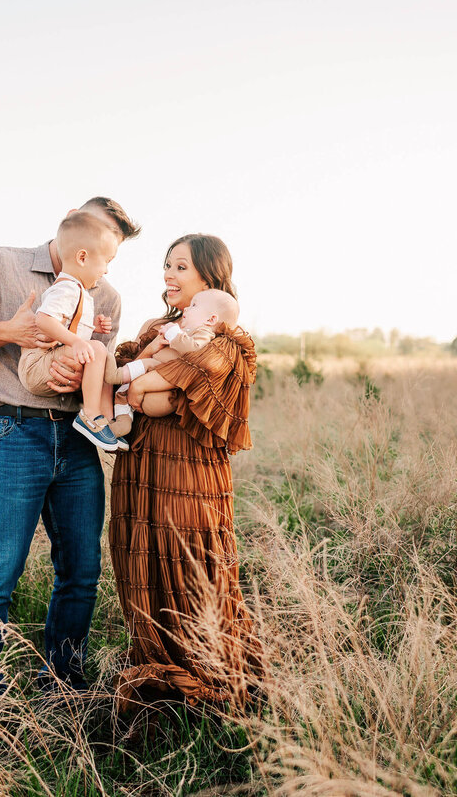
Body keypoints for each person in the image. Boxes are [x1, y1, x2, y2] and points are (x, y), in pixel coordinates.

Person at [0, 197, 140, 705]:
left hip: (75, 437)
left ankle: (63, 687)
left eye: (114, 251)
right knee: (0, 568)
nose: (106, 259)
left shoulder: (106, 297)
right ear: (79, 232)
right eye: (102, 243)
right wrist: (12, 330)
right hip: (9, 432)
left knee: (82, 568)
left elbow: (95, 370)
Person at [108, 233, 263, 715]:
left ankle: (208, 672)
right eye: (166, 266)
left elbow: (183, 380)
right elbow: (128, 372)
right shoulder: (157, 326)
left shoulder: (225, 338)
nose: (168, 276)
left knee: (191, 561)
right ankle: (155, 668)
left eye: (180, 267)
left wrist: (148, 388)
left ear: (208, 276)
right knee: (143, 561)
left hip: (190, 472)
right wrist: (139, 383)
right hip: (141, 465)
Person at [17, 211, 126, 451]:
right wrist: (77, 342)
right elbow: (44, 320)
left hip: (49, 362)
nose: (106, 270)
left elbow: (68, 325)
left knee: (105, 356)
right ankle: (90, 416)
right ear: (83, 258)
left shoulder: (77, 289)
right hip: (37, 365)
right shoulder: (66, 287)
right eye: (106, 261)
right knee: (96, 349)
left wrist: (93, 328)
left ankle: (107, 421)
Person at [115, 288, 240, 422]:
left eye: (194, 305)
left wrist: (173, 334)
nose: (187, 308)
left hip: (160, 398)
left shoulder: (205, 334)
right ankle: (121, 416)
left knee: (135, 389)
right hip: (149, 384)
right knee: (123, 391)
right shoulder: (183, 332)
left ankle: (115, 377)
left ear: (211, 319)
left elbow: (194, 351)